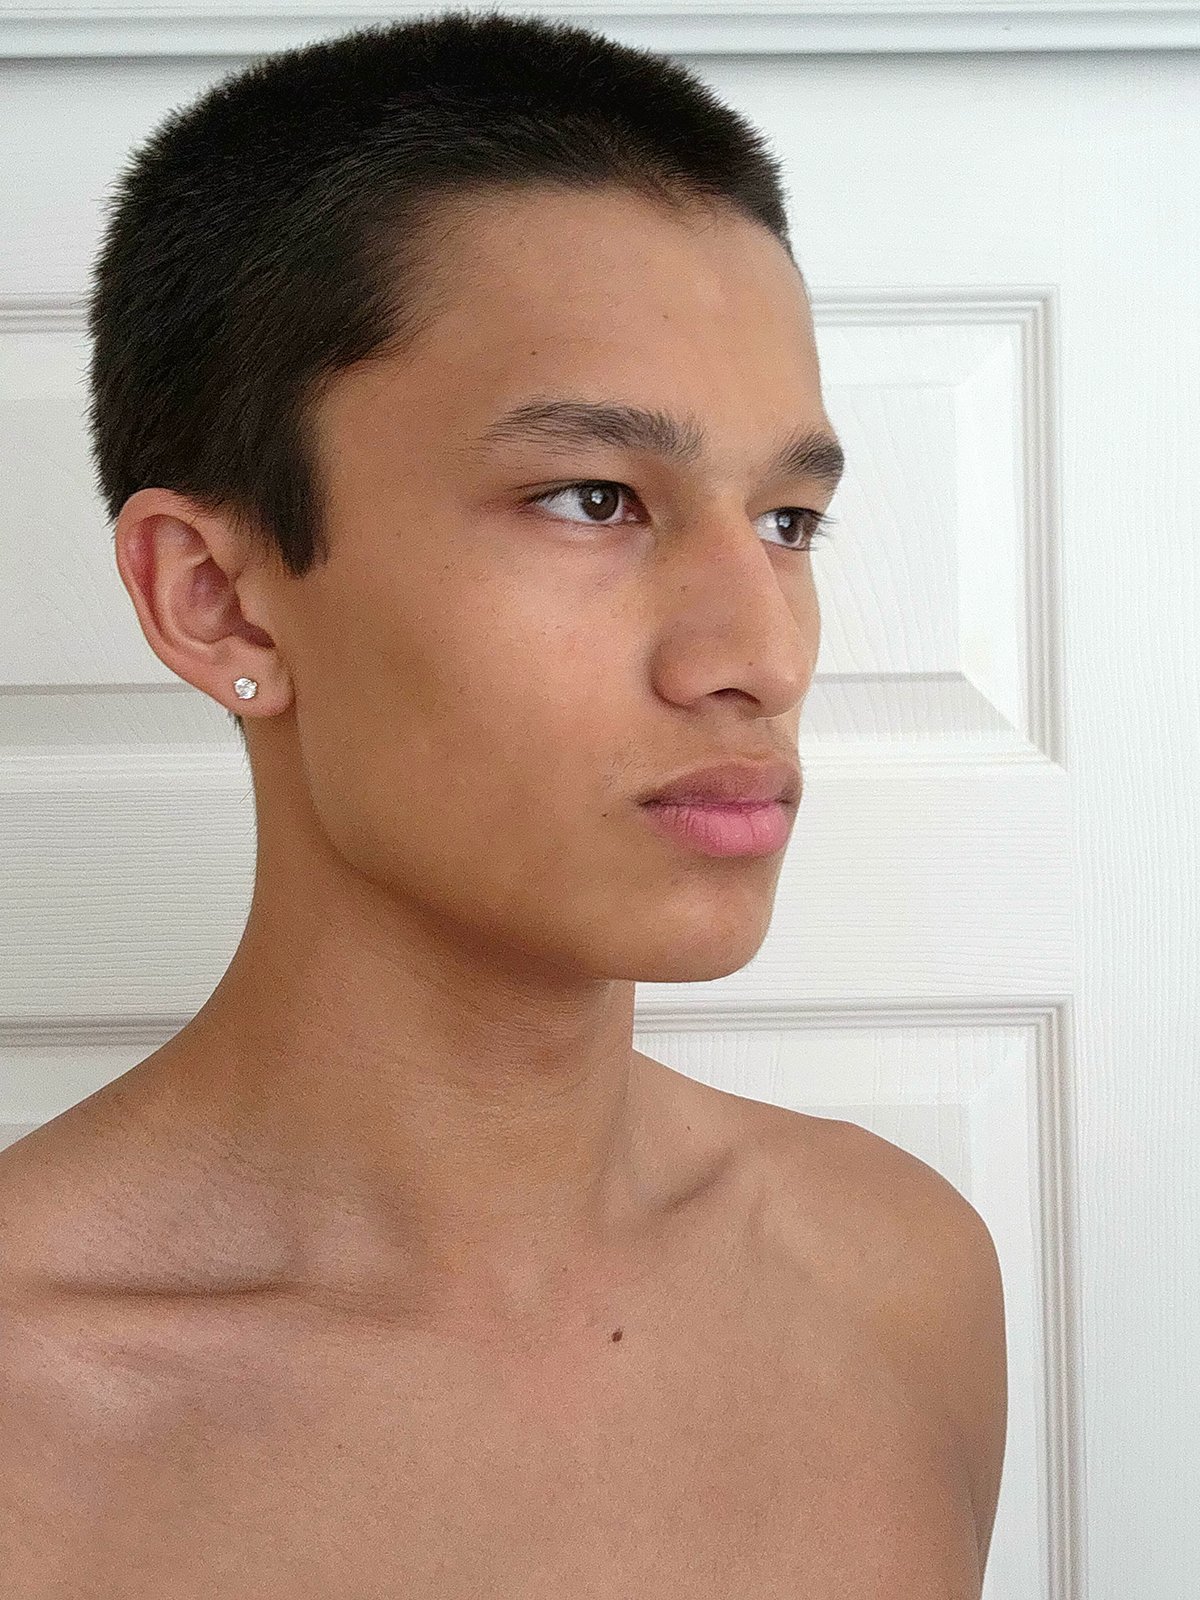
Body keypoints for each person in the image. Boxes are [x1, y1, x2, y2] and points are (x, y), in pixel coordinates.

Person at [0, 9, 1006, 1594]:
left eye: (788, 521)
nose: (757, 657)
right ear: (219, 600)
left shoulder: (899, 1279)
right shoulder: (31, 1408)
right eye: (593, 499)